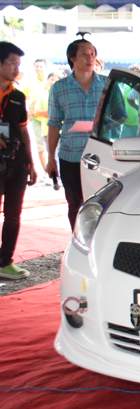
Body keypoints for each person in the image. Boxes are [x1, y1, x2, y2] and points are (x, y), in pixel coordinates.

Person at [46, 36, 107, 230]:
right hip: (70, 156)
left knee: (101, 204)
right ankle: (77, 240)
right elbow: (53, 124)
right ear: (72, 58)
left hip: (101, 156)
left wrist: (100, 125)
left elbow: (119, 116)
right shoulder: (59, 88)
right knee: (74, 204)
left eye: (93, 54)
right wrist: (50, 157)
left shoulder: (107, 85)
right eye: (84, 54)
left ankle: (99, 241)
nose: (90, 58)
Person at [0, 42, 37, 280]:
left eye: (18, 64)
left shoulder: (17, 96)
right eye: (12, 63)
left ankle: (5, 261)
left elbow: (23, 130)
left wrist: (31, 163)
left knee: (13, 215)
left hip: (17, 162)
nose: (16, 68)